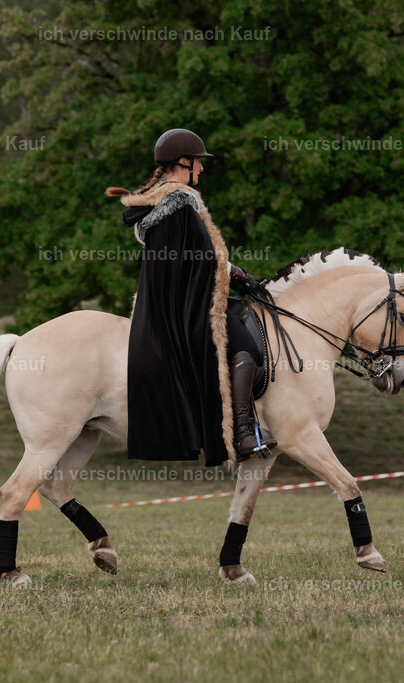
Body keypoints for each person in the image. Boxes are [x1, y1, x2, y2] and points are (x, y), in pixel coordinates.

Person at [105, 128, 277, 466]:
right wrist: (237, 276)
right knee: (247, 348)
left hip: (176, 301)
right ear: (183, 162)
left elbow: (196, 255)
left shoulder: (162, 204)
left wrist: (230, 270)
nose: (201, 169)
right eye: (198, 163)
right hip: (193, 304)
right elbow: (204, 258)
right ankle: (242, 434)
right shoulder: (180, 203)